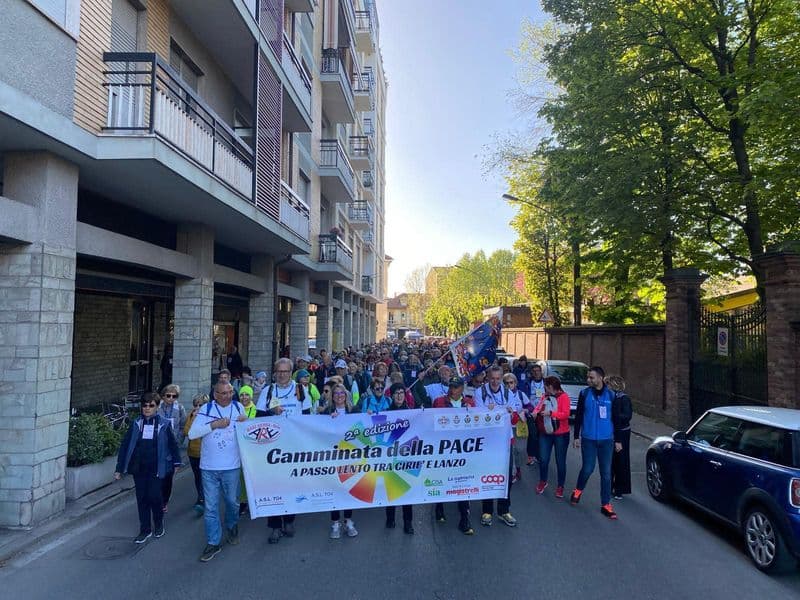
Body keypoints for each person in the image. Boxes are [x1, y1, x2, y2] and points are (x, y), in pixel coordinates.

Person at [188, 381, 248, 562]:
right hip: (209, 468)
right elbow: (192, 434)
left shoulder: (238, 407)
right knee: (211, 507)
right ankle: (213, 542)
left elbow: (247, 433)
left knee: (232, 502)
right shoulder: (206, 409)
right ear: (215, 394)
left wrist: (247, 422)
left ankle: (232, 525)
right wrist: (213, 425)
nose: (227, 395)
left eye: (230, 392)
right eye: (223, 393)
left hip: (231, 466)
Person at [114, 393, 181, 544]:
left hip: (157, 467)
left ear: (157, 407)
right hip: (139, 468)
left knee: (155, 497)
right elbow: (125, 446)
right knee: (142, 498)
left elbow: (172, 444)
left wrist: (176, 462)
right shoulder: (136, 423)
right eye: (144, 405)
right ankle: (145, 530)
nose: (147, 408)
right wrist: (119, 468)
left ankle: (158, 524)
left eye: (151, 405)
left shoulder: (163, 424)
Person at [256, 358, 304, 542]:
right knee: (273, 486)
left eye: (286, 371)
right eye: (279, 371)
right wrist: (271, 412)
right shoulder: (268, 391)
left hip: (293, 446)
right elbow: (259, 417)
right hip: (273, 447)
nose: (282, 374)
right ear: (275, 372)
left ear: (291, 372)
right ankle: (275, 525)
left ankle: (289, 519)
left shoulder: (301, 389)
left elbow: (307, 417)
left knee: (291, 485)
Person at [570, 366, 618, 519]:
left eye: (591, 377)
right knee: (588, 468)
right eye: (588, 377)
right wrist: (576, 436)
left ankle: (606, 504)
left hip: (606, 439)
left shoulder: (611, 395)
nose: (588, 380)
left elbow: (616, 419)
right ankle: (578, 489)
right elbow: (578, 416)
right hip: (589, 438)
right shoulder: (584, 394)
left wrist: (618, 440)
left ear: (600, 378)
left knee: (606, 473)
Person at [432, 377, 476, 535]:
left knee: (463, 484)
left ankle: (464, 518)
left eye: (456, 387)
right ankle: (439, 507)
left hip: (463, 448)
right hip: (444, 448)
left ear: (462, 388)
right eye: (451, 386)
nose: (453, 390)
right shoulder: (438, 401)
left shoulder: (470, 403)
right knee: (442, 479)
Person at [478, 373, 521, 528]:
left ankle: (504, 510)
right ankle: (487, 510)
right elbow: (477, 416)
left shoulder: (509, 393)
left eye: (498, 379)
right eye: (492, 379)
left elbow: (515, 418)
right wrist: (486, 412)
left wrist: (511, 412)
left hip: (504, 440)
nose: (495, 382)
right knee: (488, 475)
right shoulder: (480, 392)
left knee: (506, 476)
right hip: (488, 441)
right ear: (488, 379)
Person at [325, 383, 358, 538]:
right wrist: (327, 420)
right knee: (335, 489)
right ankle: (335, 522)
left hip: (351, 457)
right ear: (332, 396)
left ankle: (348, 520)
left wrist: (369, 414)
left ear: (346, 395)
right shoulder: (327, 411)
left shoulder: (354, 411)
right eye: (336, 393)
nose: (339, 396)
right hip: (333, 457)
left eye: (342, 393)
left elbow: (363, 427)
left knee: (349, 489)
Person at [533, 376, 571, 498]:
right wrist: (535, 412)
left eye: (546, 386)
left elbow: (565, 414)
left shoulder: (564, 397)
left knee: (560, 461)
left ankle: (560, 486)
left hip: (561, 434)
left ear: (550, 386)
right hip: (546, 432)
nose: (544, 388)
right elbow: (539, 406)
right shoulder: (546, 396)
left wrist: (551, 413)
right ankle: (543, 481)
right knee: (543, 459)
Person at [385, 383, 415, 534]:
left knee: (406, 491)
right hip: (390, 456)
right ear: (392, 395)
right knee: (391, 489)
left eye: (402, 393)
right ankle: (390, 518)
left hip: (406, 456)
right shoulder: (385, 413)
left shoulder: (412, 413)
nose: (399, 396)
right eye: (396, 393)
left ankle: (408, 522)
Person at [156, 383, 186, 513]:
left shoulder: (179, 408)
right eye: (168, 395)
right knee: (157, 474)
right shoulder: (157, 407)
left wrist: (178, 440)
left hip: (172, 445)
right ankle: (158, 498)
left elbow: (183, 425)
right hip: (158, 445)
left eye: (174, 396)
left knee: (168, 475)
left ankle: (165, 500)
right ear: (163, 396)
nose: (171, 398)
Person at [607, 375, 633, 500]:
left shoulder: (624, 399)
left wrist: (613, 417)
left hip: (622, 433)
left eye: (608, 384)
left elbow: (627, 416)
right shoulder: (609, 398)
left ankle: (619, 489)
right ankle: (609, 486)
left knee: (621, 460)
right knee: (610, 461)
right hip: (611, 432)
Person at [183, 393, 209, 514]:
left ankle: (202, 500)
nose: (198, 407)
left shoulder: (209, 417)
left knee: (204, 478)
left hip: (205, 453)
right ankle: (201, 496)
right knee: (198, 477)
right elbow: (187, 431)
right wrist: (193, 418)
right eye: (196, 405)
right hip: (193, 452)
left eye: (201, 405)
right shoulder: (191, 415)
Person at [237, 385, 257, 515]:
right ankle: (243, 502)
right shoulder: (235, 408)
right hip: (238, 447)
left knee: (252, 475)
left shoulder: (256, 409)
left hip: (252, 448)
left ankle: (254, 500)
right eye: (242, 395)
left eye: (247, 394)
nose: (244, 397)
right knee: (240, 477)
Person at [524, 364, 546, 466]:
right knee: (532, 435)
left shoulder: (546, 382)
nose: (536, 373)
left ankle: (538, 455)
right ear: (531, 373)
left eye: (538, 371)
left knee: (541, 435)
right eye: (534, 371)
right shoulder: (528, 383)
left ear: (541, 372)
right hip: (532, 413)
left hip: (543, 413)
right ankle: (530, 456)